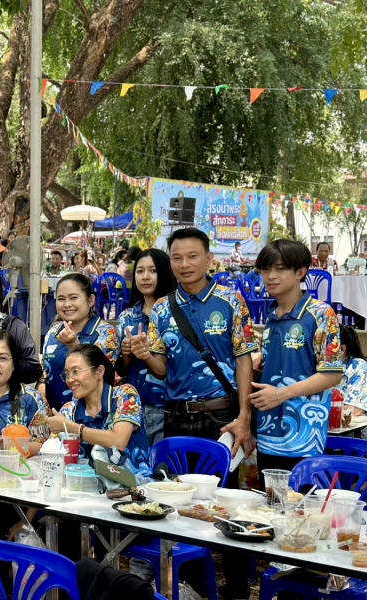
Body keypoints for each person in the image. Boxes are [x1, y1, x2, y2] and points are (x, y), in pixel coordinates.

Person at [129, 227, 255, 600]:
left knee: (227, 503)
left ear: (209, 259)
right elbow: (162, 368)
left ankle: (236, 589)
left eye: (193, 256)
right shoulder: (163, 308)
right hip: (177, 418)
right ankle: (195, 589)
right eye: (177, 258)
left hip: (221, 418)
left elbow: (244, 359)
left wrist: (244, 416)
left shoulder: (230, 300)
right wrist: (144, 355)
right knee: (180, 502)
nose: (185, 264)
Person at [250, 240, 343, 474]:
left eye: (280, 269)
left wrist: (280, 394)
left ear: (300, 272)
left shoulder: (321, 314)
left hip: (304, 439)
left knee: (300, 498)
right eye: (266, 269)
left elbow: (332, 374)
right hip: (267, 433)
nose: (271, 276)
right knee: (267, 498)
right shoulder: (271, 317)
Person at [46, 344, 150, 475]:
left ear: (99, 372)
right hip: (85, 484)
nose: (69, 380)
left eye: (76, 371)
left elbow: (118, 442)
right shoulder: (68, 411)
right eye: (66, 374)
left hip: (135, 483)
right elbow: (50, 455)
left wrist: (73, 429)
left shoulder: (125, 395)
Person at [117, 249, 176, 445]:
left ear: (165, 272)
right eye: (140, 271)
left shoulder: (176, 314)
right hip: (134, 406)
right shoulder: (127, 317)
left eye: (153, 270)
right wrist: (127, 352)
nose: (145, 277)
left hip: (169, 406)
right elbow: (122, 370)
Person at [40, 273, 119, 410]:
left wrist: (74, 345)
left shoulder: (106, 333)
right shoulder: (53, 333)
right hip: (55, 414)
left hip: (90, 416)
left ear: (91, 300)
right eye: (61, 299)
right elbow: (45, 373)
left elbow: (102, 375)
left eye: (74, 298)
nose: (67, 304)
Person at [337, 325, 367, 417]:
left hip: (352, 425)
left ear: (342, 350)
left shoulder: (358, 366)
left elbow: (355, 410)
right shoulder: (318, 367)